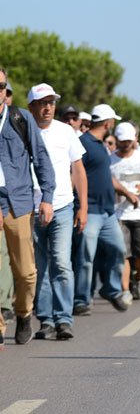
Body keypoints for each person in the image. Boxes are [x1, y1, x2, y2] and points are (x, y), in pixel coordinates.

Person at [0, 70, 56, 346]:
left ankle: (23, 314)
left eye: (1, 86)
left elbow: (41, 159)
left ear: (5, 90)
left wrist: (47, 197)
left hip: (18, 202)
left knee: (25, 271)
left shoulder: (20, 119)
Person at [27, 84, 87, 341]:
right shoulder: (22, 130)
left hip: (62, 205)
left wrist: (83, 207)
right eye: (42, 103)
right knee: (39, 266)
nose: (48, 107)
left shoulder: (66, 131)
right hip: (31, 208)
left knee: (61, 262)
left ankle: (63, 319)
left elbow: (78, 169)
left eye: (51, 102)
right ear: (32, 107)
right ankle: (46, 320)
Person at [72, 104, 131, 315]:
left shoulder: (101, 145)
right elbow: (74, 174)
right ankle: (80, 300)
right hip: (90, 210)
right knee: (86, 257)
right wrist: (80, 207)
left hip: (107, 212)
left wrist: (126, 192)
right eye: (112, 122)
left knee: (119, 250)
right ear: (108, 123)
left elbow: (106, 175)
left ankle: (111, 289)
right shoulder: (83, 143)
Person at [110, 122, 140, 301]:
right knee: (123, 254)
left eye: (128, 141)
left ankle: (139, 278)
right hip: (119, 214)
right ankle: (125, 291)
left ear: (134, 140)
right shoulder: (110, 160)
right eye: (122, 141)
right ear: (116, 139)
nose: (125, 144)